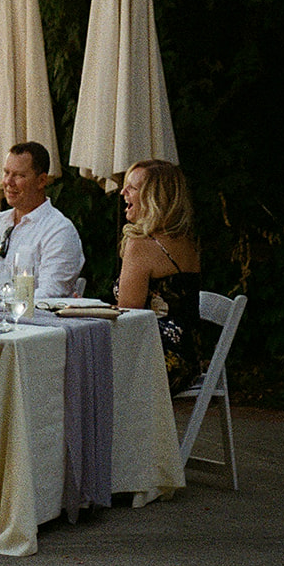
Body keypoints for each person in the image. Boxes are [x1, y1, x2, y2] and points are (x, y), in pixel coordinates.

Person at [114, 159, 204, 394]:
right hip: (188, 362)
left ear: (154, 198)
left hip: (154, 362)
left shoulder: (141, 245)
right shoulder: (187, 241)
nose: (123, 192)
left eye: (132, 188)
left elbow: (127, 317)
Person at [0, 141, 85, 300]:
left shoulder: (59, 231)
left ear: (41, 181)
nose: (8, 182)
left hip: (37, 323)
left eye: (19, 175)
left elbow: (50, 295)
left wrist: (1, 304)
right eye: (6, 173)